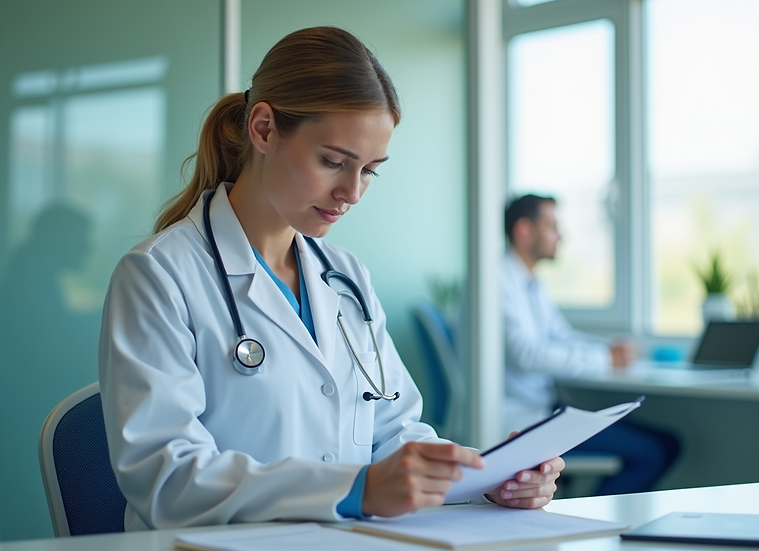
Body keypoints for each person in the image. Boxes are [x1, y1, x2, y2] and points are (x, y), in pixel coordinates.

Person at [98, 27, 564, 531]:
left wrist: (485, 473)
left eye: (370, 171)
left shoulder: (345, 277)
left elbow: (395, 430)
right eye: (333, 162)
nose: (352, 192)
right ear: (263, 129)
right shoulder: (159, 275)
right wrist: (354, 489)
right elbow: (166, 478)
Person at [503, 194, 679, 495]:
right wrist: (605, 359)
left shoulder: (528, 282)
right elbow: (527, 354)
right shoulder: (496, 281)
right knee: (654, 451)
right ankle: (598, 530)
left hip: (544, 409)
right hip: (524, 419)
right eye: (552, 226)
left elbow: (561, 335)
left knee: (666, 442)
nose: (561, 235)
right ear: (524, 230)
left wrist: (608, 350)